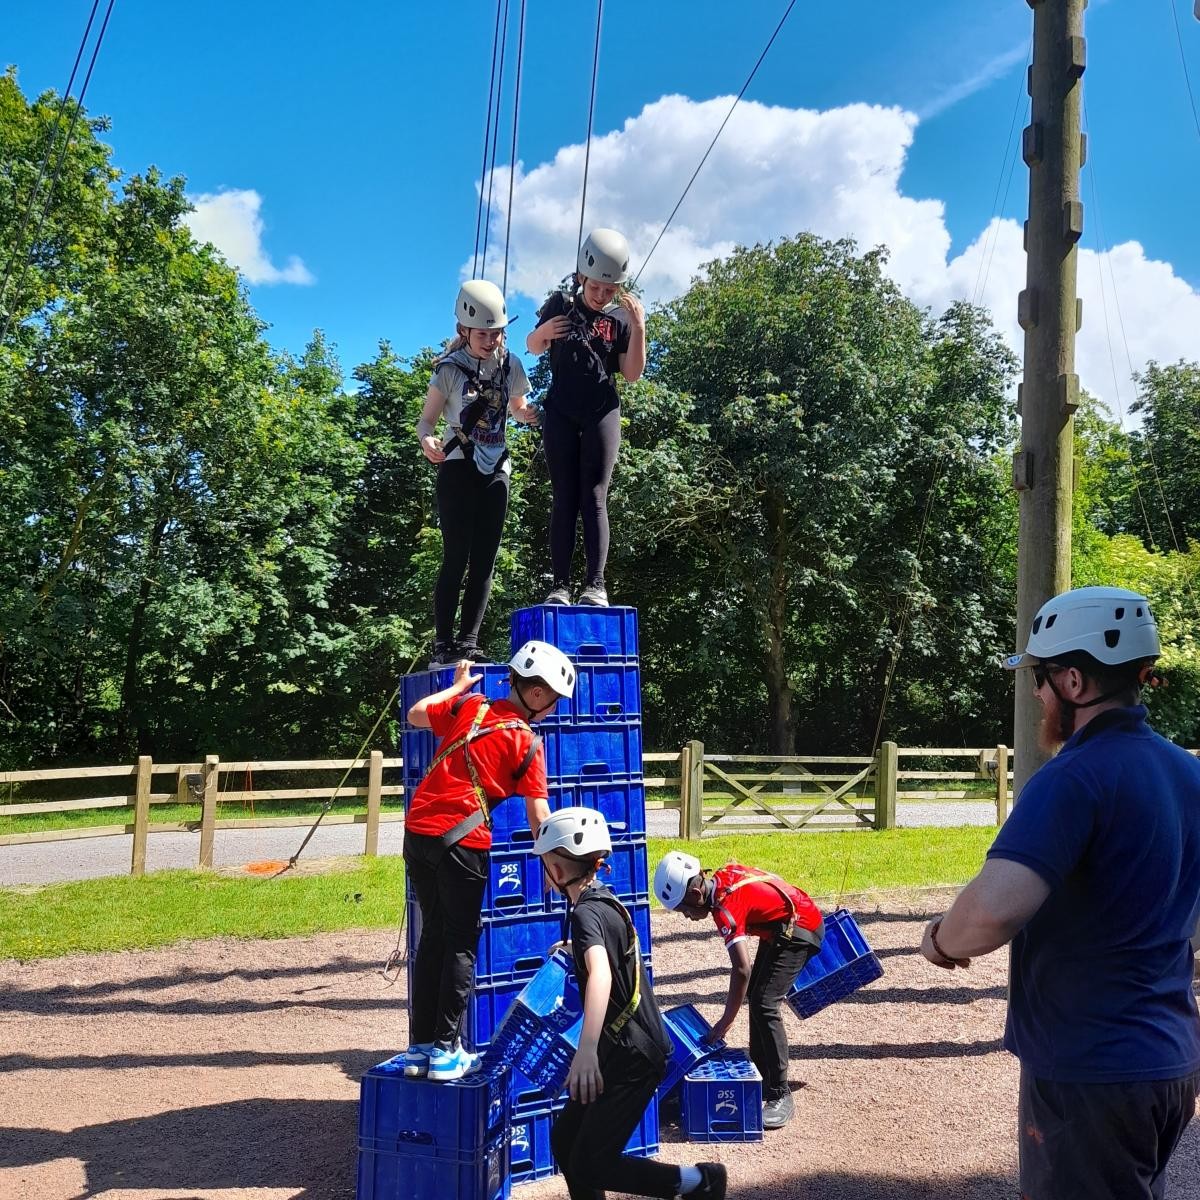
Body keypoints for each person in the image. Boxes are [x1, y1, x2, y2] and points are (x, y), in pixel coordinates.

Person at [919, 586, 1200, 1199]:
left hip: (1090, 1069)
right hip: (1171, 1060)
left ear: (1074, 681)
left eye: (1039, 677)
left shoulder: (1073, 777)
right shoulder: (1189, 773)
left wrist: (939, 941)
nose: (1037, 694)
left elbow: (989, 914)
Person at [401, 640, 576, 1082]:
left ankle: (419, 1049)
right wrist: (554, 866)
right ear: (536, 693)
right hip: (462, 841)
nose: (554, 709)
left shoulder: (472, 706)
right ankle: (446, 1051)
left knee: (433, 936)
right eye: (555, 700)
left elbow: (416, 713)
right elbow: (539, 815)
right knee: (460, 942)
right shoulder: (527, 742)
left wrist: (457, 686)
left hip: (418, 833)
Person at [534, 808, 727, 1200]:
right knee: (566, 1139)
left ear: (557, 868)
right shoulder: (603, 901)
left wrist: (586, 1052)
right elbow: (612, 949)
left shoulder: (584, 914)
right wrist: (574, 950)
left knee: (592, 1162)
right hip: (625, 1045)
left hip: (633, 1055)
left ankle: (701, 1182)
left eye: (545, 863)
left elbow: (602, 975)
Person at [653, 852, 824, 1129]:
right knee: (757, 997)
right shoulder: (722, 882)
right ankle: (762, 1075)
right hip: (784, 925)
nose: (687, 917)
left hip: (800, 929)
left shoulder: (725, 909)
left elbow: (742, 968)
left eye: (684, 909)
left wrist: (726, 1021)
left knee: (765, 1003)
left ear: (696, 894)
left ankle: (780, 1094)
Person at [418, 279, 539, 668]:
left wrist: (530, 415)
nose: (490, 340)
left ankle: (469, 642)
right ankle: (443, 643)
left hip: (496, 467)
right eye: (483, 334)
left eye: (497, 333)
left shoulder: (510, 365)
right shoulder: (450, 370)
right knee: (456, 556)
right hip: (458, 465)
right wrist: (428, 440)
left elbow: (517, 407)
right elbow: (427, 421)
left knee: (485, 559)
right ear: (464, 330)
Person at [525, 228, 646, 608]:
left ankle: (595, 585)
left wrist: (639, 327)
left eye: (610, 290)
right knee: (564, 496)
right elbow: (533, 346)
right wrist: (544, 332)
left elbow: (632, 373)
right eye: (595, 287)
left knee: (594, 496)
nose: (601, 295)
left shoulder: (620, 318)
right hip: (561, 410)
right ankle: (560, 586)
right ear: (581, 277)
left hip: (601, 412)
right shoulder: (560, 304)